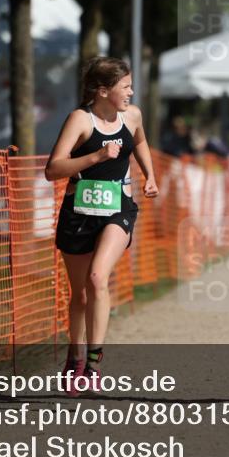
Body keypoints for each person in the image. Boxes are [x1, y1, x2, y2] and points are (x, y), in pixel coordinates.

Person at [46, 56, 158, 394]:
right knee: (79, 294)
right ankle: (74, 354)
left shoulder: (132, 115)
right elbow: (53, 169)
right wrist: (95, 156)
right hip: (79, 211)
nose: (131, 91)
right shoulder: (80, 120)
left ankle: (93, 363)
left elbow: (138, 140)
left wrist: (150, 174)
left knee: (98, 278)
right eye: (125, 86)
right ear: (103, 90)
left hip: (118, 207)